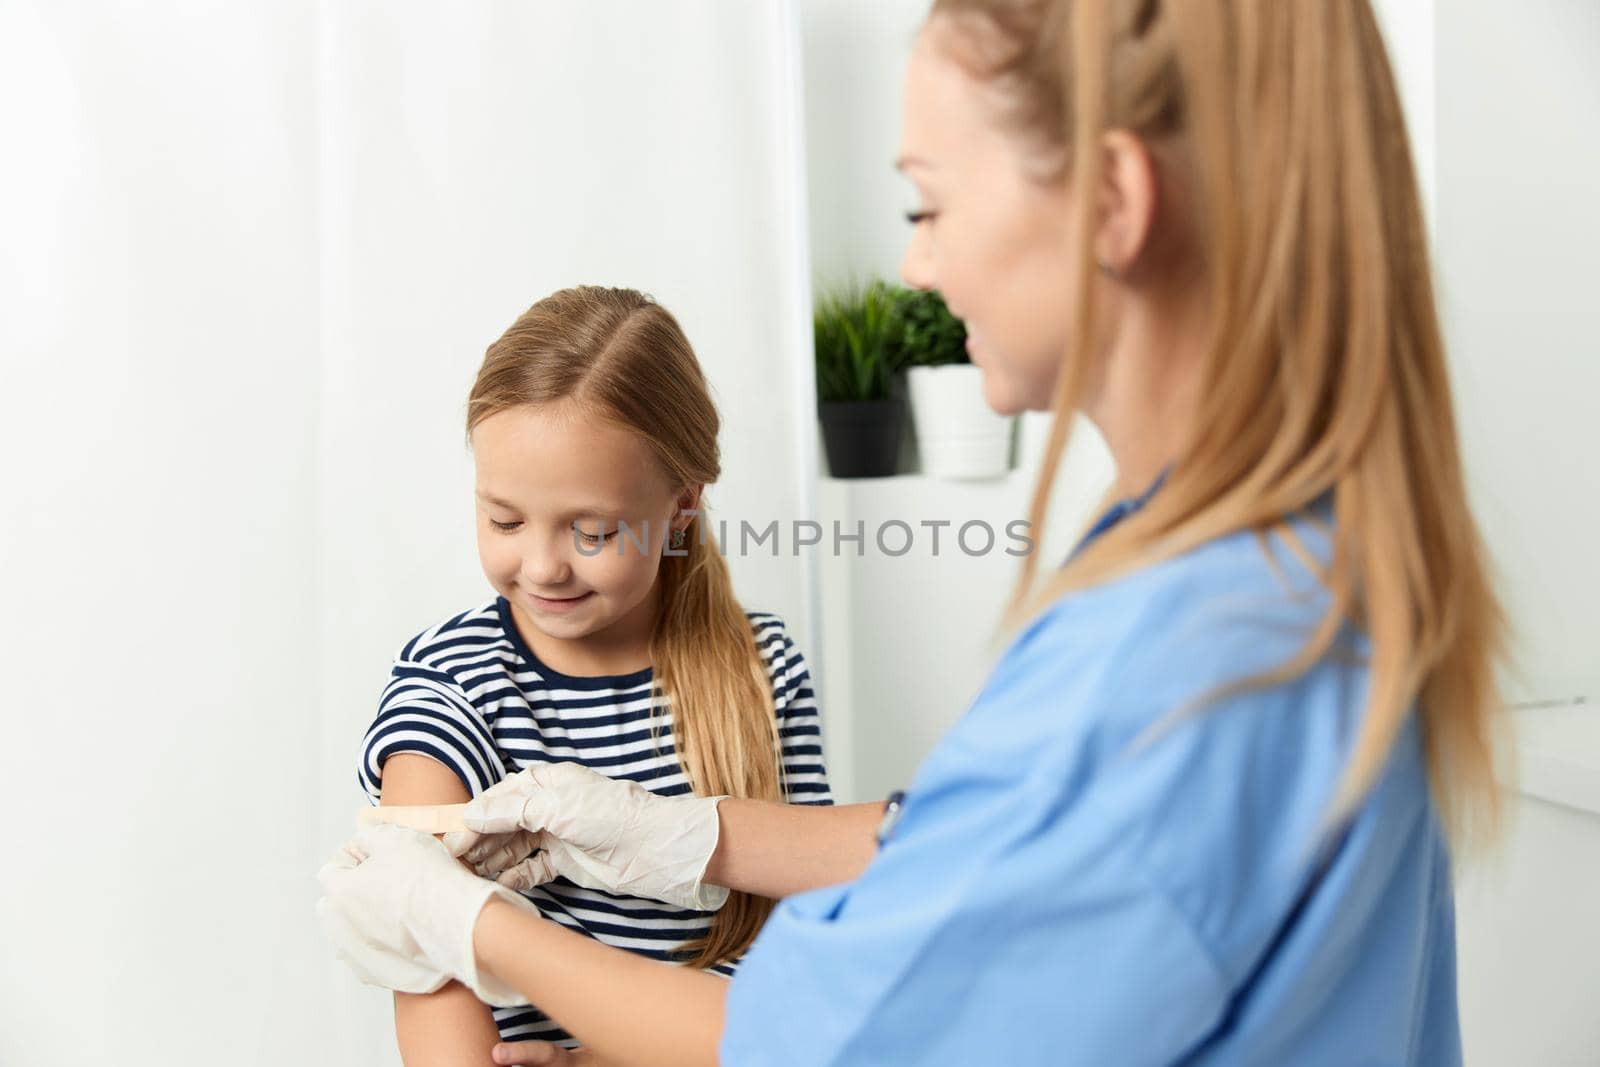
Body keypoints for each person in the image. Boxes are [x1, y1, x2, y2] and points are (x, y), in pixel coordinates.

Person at [318, 1, 1504, 1064]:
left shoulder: (1185, 671)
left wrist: (470, 925)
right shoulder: (1271, 568)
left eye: (927, 202)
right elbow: (974, 852)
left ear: (1110, 201)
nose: (912, 261)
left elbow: (816, 1040)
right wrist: (696, 835)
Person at [350, 285, 833, 1059]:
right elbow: (427, 954)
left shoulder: (762, 668)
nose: (542, 566)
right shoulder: (454, 681)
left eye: (593, 530)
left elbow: (808, 939)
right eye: (503, 519)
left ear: (681, 504)